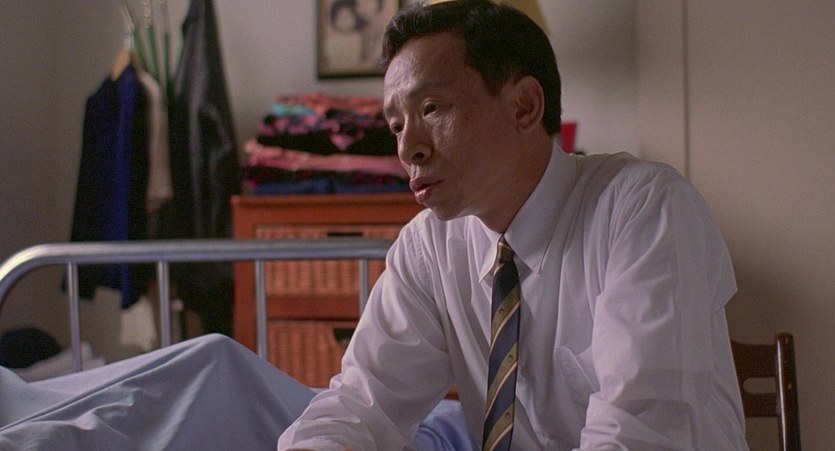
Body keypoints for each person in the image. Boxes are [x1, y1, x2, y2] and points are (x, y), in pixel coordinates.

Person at [278, 0, 748, 450]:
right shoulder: (428, 248)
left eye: (431, 109)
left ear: (524, 106)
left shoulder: (644, 208)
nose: (408, 149)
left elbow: (640, 432)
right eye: (397, 125)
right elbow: (362, 402)